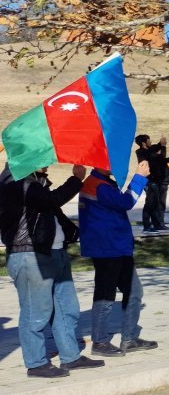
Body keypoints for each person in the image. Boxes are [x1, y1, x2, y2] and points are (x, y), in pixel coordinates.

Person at [0, 162, 103, 377]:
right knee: (35, 312)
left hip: (55, 253)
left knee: (67, 308)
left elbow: (52, 212)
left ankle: (70, 357)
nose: (48, 163)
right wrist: (76, 179)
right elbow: (51, 200)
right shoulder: (16, 182)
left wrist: (74, 232)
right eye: (42, 158)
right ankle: (36, 363)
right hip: (30, 256)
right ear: (27, 157)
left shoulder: (36, 183)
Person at [79, 162, 158, 355]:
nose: (114, 165)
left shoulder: (102, 183)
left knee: (134, 292)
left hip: (117, 247)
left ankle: (129, 339)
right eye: (110, 162)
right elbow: (126, 202)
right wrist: (139, 177)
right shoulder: (99, 185)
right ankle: (100, 342)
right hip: (107, 249)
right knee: (105, 296)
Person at [134, 134, 169, 232]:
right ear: (143, 143)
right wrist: (161, 145)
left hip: (156, 181)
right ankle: (147, 226)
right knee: (149, 204)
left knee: (155, 204)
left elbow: (164, 159)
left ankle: (157, 225)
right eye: (149, 141)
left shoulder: (150, 152)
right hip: (149, 182)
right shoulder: (141, 152)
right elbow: (155, 154)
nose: (151, 142)